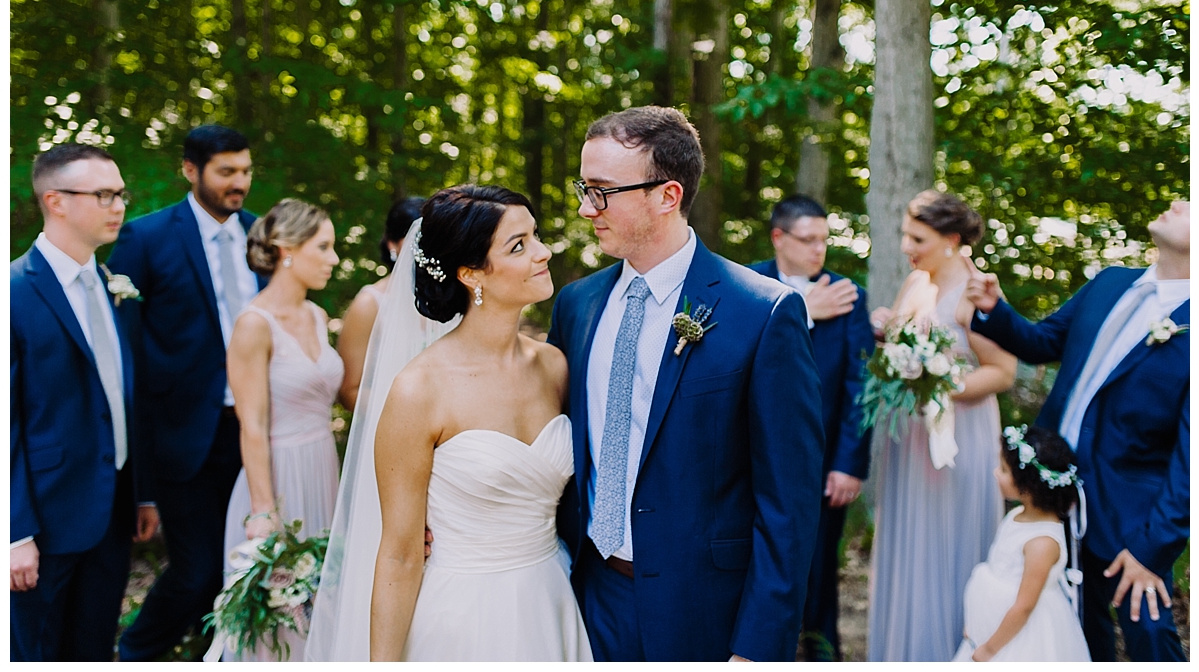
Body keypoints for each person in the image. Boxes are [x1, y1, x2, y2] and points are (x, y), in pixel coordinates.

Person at [548, 105, 825, 661]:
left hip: (705, 611)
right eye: (584, 187)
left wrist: (756, 647)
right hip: (585, 594)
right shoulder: (577, 305)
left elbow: (787, 504)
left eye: (602, 191)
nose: (585, 208)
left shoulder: (762, 312)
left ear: (667, 196)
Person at [306, 185, 590, 661]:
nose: (543, 253)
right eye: (518, 245)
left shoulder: (554, 367)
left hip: (553, 597)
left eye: (535, 236)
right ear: (470, 273)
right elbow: (398, 553)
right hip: (463, 618)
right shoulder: (419, 389)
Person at [965, 199, 1189, 662]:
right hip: (1056, 498)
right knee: (1077, 629)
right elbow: (1044, 341)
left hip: (1133, 519)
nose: (1177, 202)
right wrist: (995, 308)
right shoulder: (1111, 283)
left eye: (1193, 206)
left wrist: (1154, 548)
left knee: (1149, 638)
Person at [108, 125, 265, 660]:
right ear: (190, 170)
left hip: (255, 430)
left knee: (243, 565)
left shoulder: (262, 234)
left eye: (244, 170)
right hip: (183, 437)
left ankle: (215, 656)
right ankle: (136, 652)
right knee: (195, 570)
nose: (238, 183)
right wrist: (142, 476)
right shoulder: (145, 237)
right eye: (226, 172)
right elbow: (128, 352)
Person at [11, 145, 158, 660]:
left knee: (94, 650)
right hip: (44, 524)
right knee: (36, 653)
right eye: (103, 195)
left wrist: (142, 493)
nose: (118, 205)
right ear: (56, 201)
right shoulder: (13, 292)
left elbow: (119, 398)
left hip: (112, 512)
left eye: (119, 193)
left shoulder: (112, 285)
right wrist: (14, 533)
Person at [867, 189, 1016, 662]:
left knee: (947, 551)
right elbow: (903, 346)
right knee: (909, 548)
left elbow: (1003, 372)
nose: (907, 246)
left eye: (918, 238)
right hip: (910, 441)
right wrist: (888, 332)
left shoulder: (976, 292)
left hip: (958, 440)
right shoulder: (916, 282)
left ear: (951, 239)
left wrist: (937, 383)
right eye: (906, 235)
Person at [748, 193, 874, 661]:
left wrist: (849, 464)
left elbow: (861, 385)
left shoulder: (847, 294)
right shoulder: (747, 283)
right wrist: (802, 307)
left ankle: (822, 656)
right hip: (752, 456)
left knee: (819, 573)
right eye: (808, 240)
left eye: (824, 239)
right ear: (779, 238)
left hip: (823, 466)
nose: (818, 250)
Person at [217, 199, 344, 660]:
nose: (334, 259)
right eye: (324, 247)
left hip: (323, 468)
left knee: (322, 606)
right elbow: (252, 425)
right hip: (277, 480)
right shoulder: (254, 325)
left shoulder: (313, 315)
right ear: (286, 248)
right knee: (281, 620)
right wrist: (264, 511)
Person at [953, 425, 1091, 662]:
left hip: (1017, 637)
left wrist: (989, 649)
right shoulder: (1018, 513)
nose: (996, 472)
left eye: (1004, 470)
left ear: (1028, 486)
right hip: (989, 628)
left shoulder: (1042, 543)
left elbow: (1024, 606)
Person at [336, 196, 424, 410]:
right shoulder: (370, 304)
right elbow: (349, 391)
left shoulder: (457, 298)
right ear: (392, 244)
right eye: (418, 239)